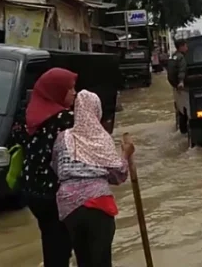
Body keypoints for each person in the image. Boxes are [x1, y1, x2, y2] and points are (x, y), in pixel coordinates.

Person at [52, 90, 134, 267]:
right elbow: (118, 174)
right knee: (101, 259)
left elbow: (57, 168)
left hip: (68, 206)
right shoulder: (101, 138)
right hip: (98, 204)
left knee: (83, 259)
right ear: (97, 110)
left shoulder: (62, 138)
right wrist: (125, 155)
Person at [15, 67, 77, 267]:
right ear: (57, 91)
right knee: (60, 243)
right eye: (70, 89)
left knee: (50, 237)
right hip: (53, 192)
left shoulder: (29, 115)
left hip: (31, 189)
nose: (74, 93)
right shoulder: (64, 120)